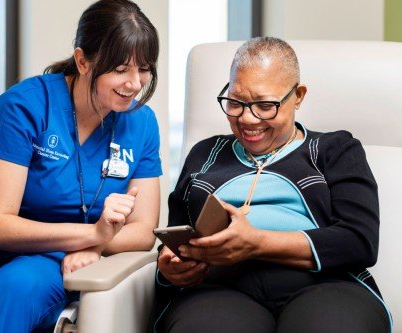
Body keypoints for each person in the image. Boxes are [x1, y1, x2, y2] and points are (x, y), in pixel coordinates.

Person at [0, 0, 161, 332]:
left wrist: (99, 244)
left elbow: (144, 230)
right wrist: (92, 234)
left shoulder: (142, 124)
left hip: (48, 260)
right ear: (82, 60)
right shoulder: (24, 107)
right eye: (120, 69)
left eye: (144, 68)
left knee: (18, 287)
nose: (135, 83)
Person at [153, 37, 391, 333]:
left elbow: (360, 241)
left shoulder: (335, 150)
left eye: (265, 105)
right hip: (220, 290)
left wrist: (256, 243)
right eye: (236, 103)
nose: (248, 119)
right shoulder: (206, 154)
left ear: (298, 96)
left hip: (325, 286)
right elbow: (175, 238)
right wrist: (172, 267)